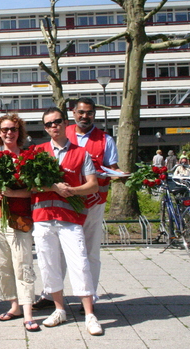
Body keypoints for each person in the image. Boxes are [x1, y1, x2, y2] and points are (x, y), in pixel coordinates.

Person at [33, 97, 122, 314]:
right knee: (55, 251)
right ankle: (50, 294)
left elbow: (113, 167)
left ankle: (89, 297)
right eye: (81, 112)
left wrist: (121, 175)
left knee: (88, 252)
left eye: (89, 113)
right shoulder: (63, 131)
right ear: (73, 114)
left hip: (92, 201)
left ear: (94, 114)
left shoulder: (105, 140)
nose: (85, 116)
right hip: (63, 203)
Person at [31, 107, 102, 336]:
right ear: (45, 128)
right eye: (49, 123)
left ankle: (90, 314)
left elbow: (93, 185)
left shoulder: (81, 153)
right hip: (43, 218)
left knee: (80, 263)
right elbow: (30, 186)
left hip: (70, 219)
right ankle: (59, 309)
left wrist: (72, 190)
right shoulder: (38, 152)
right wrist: (53, 187)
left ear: (65, 123)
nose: (54, 126)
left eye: (57, 121)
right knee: (48, 264)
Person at [0, 113, 38, 331]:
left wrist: (11, 194)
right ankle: (14, 305)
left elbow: (33, 190)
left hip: (19, 218)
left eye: (13, 129)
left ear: (19, 132)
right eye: (4, 129)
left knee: (22, 263)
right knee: (3, 264)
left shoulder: (27, 156)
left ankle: (28, 312)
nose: (8, 133)